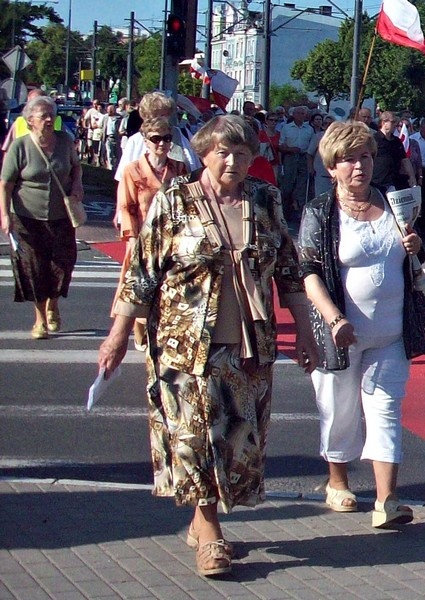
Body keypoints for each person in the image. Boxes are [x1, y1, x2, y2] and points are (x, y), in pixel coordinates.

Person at [98, 115, 318, 578]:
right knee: (194, 440)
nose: (233, 161)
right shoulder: (175, 202)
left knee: (238, 443)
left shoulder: (265, 200)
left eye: (242, 153)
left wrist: (304, 329)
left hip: (248, 348)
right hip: (184, 347)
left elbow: (289, 271)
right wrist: (118, 335)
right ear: (203, 153)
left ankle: (204, 520)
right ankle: (211, 529)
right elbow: (141, 272)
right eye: (223, 152)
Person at [296, 121, 423, 529]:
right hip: (340, 333)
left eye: (365, 156)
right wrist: (334, 318)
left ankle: (388, 500)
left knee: (385, 410)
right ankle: (338, 482)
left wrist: (415, 247)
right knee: (339, 411)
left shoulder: (393, 201)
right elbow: (309, 272)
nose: (359, 166)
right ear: (331, 167)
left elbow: (410, 263)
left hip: (391, 332)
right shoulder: (320, 210)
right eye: (348, 159)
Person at [0, 96, 84, 340]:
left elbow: (76, 167)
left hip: (61, 218)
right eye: (44, 115)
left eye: (51, 114)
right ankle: (39, 320)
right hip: (27, 218)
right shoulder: (20, 146)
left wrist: (77, 186)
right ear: (30, 121)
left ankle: (53, 305)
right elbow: (5, 184)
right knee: (34, 270)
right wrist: (5, 215)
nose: (49, 119)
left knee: (62, 265)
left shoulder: (65, 142)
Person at [115, 117, 189, 350]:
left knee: (170, 286)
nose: (161, 144)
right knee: (139, 286)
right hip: (143, 238)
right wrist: (132, 238)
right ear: (145, 141)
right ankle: (139, 329)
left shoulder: (180, 169)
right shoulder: (132, 170)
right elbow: (126, 206)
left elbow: (187, 202)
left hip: (172, 239)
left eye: (166, 139)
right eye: (156, 139)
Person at [279, 105, 314, 220]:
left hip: (304, 158)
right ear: (293, 115)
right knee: (288, 185)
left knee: (302, 185)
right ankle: (285, 211)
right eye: (298, 113)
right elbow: (281, 145)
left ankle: (299, 212)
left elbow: (312, 145)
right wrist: (290, 149)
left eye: (303, 114)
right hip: (290, 157)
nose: (301, 116)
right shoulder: (286, 128)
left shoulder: (309, 129)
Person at [370, 111, 416, 195]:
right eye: (393, 122)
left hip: (394, 183)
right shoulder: (373, 139)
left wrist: (412, 176)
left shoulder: (397, 141)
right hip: (376, 182)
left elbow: (405, 160)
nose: (395, 124)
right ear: (384, 122)